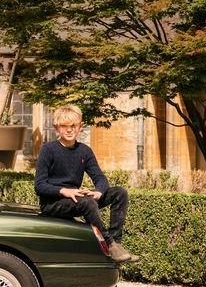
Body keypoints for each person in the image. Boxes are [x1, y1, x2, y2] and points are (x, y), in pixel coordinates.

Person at [35, 105, 139, 264]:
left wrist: (98, 191)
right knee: (87, 202)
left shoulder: (85, 151)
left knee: (119, 193)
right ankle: (108, 243)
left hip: (77, 200)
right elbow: (40, 185)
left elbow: (100, 178)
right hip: (53, 203)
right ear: (57, 128)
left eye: (73, 126)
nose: (69, 130)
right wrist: (64, 191)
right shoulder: (48, 149)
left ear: (80, 127)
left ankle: (117, 243)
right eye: (64, 126)